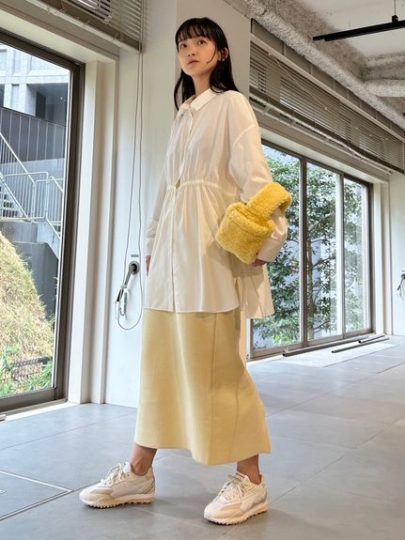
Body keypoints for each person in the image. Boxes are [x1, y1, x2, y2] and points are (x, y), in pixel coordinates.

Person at [80, 17, 289, 526]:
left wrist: (269, 239)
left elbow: (256, 177)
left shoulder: (230, 105)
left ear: (220, 52)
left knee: (219, 370)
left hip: (207, 258)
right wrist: (152, 246)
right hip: (170, 262)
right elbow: (166, 190)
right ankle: (139, 471)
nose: (190, 50)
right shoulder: (183, 115)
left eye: (200, 42)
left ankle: (251, 481)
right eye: (182, 45)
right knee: (159, 368)